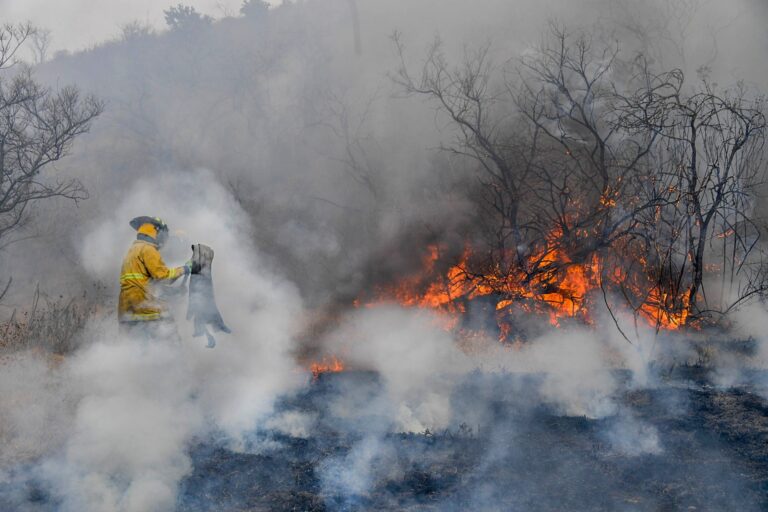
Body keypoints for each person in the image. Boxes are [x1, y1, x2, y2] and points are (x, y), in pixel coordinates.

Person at [118, 216, 198, 339]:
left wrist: (174, 291)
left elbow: (145, 283)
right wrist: (185, 269)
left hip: (126, 312)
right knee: (171, 339)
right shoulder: (148, 250)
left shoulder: (132, 251)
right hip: (146, 311)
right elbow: (164, 277)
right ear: (155, 231)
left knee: (135, 347)